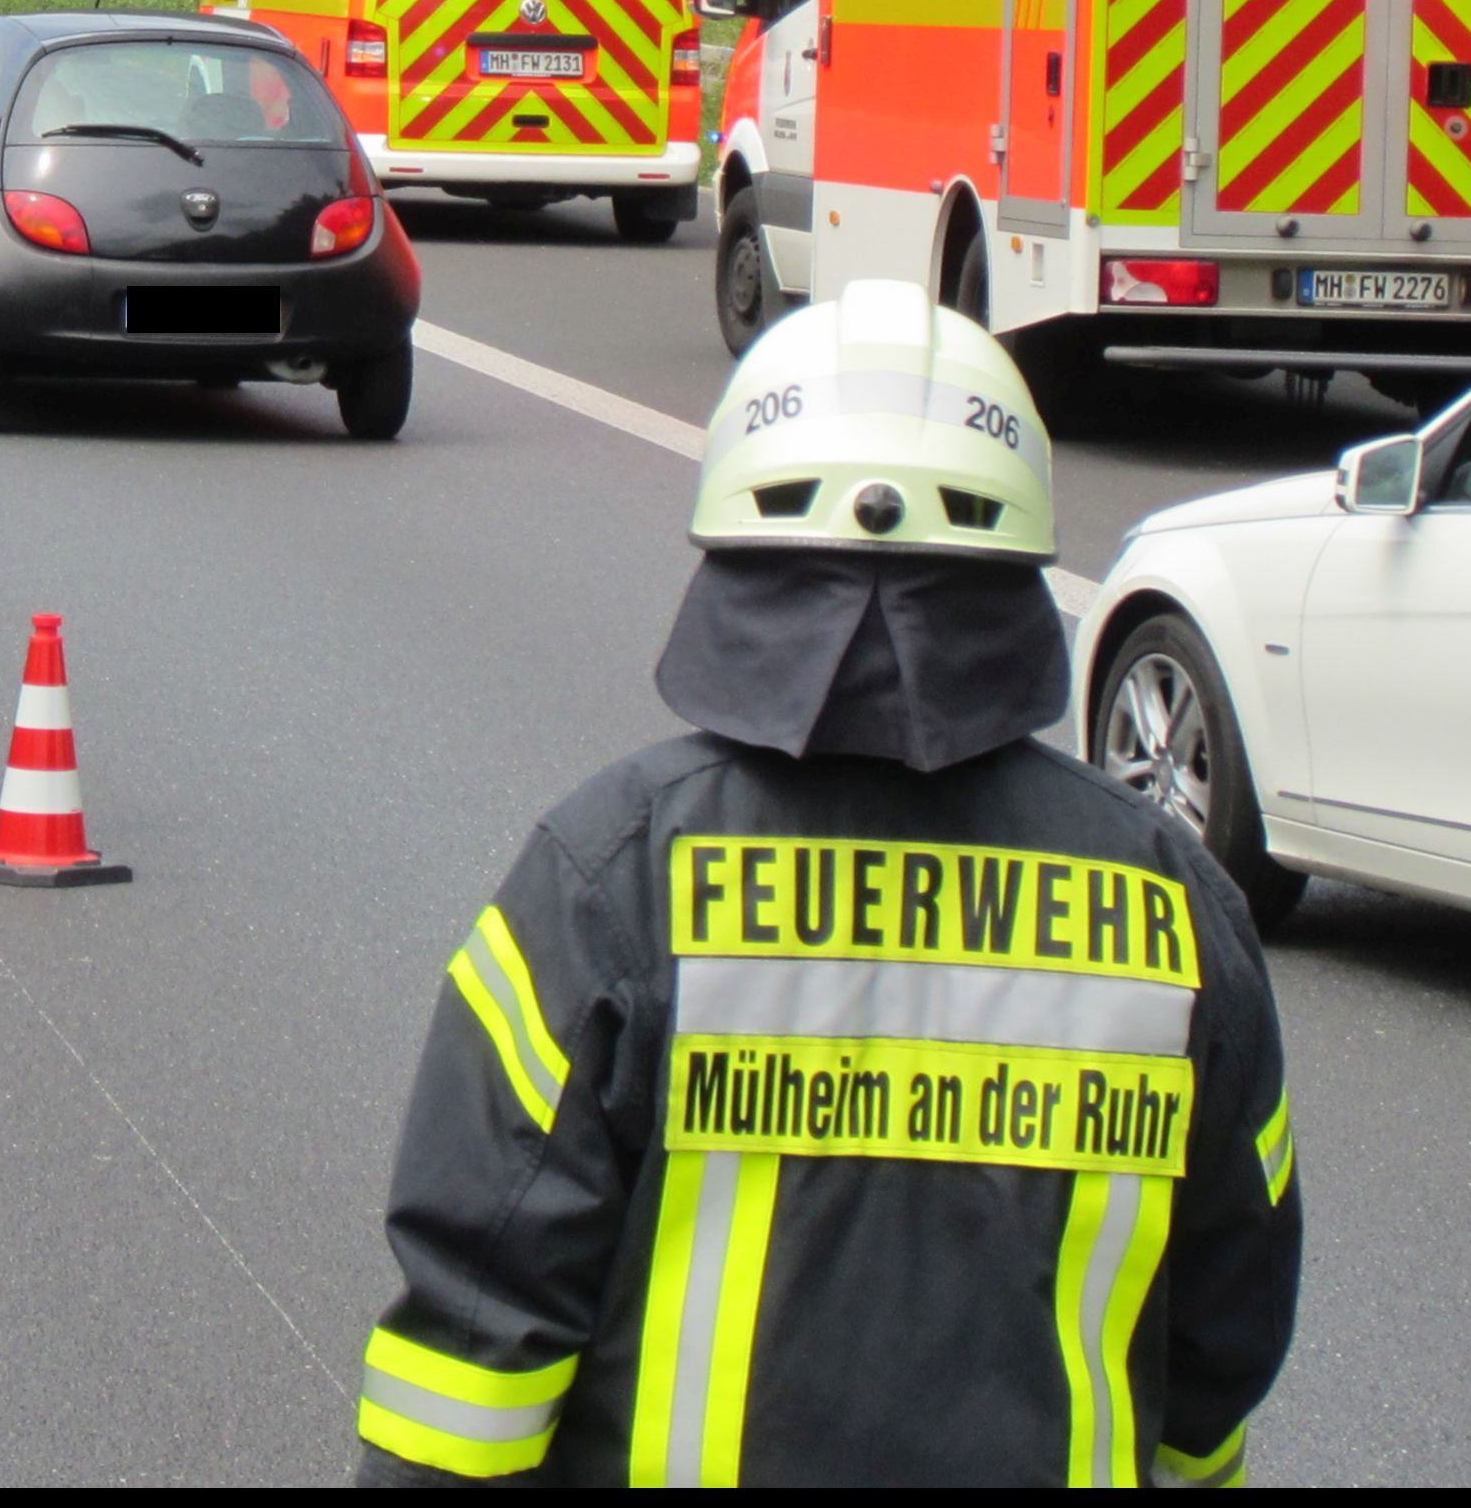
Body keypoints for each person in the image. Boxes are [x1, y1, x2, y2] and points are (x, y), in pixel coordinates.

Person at [354, 281, 1300, 1487]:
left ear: (738, 553)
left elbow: (470, 1349)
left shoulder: (608, 881)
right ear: (1010, 565)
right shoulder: (1174, 909)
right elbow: (1222, 1343)